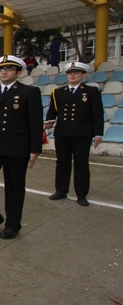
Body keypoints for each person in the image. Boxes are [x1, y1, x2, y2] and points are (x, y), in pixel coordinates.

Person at [0, 55, 43, 239]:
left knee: (14, 187)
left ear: (18, 72)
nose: (4, 72)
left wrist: (35, 149)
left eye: (9, 69)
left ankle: (13, 224)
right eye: (1, 69)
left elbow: (35, 123)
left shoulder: (29, 92)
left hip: (17, 147)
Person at [46, 62, 104, 206]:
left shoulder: (91, 92)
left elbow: (97, 113)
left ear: (83, 75)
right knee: (62, 163)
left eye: (76, 73)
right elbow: (53, 111)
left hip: (82, 133)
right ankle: (61, 190)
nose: (72, 75)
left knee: (81, 164)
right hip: (63, 133)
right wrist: (49, 121)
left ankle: (82, 194)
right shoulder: (58, 92)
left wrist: (98, 133)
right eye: (70, 73)